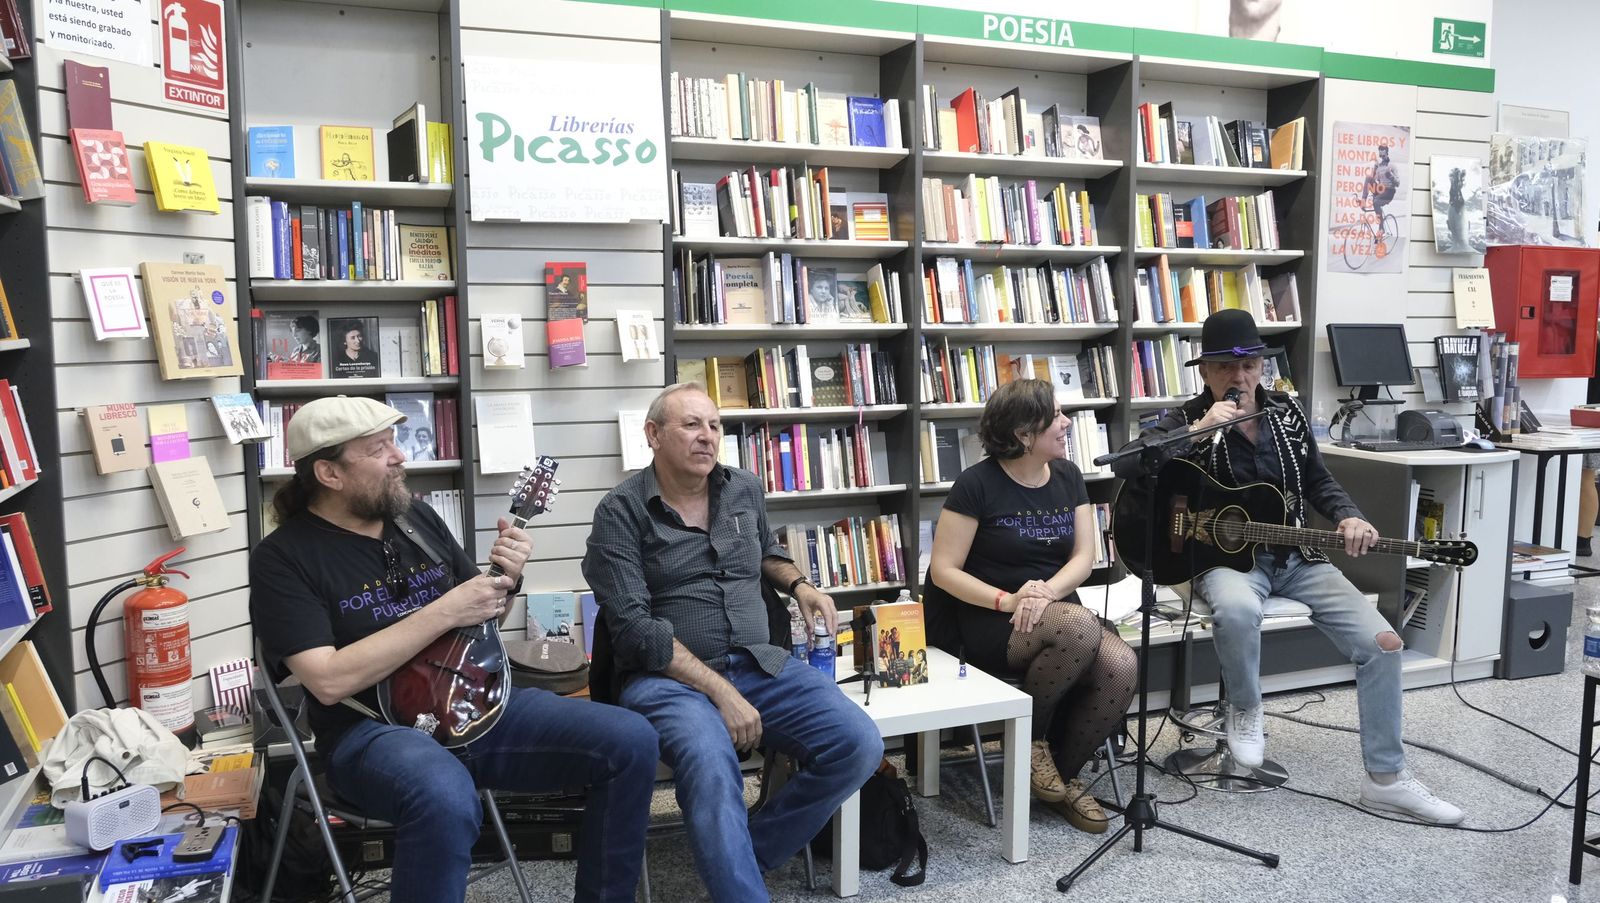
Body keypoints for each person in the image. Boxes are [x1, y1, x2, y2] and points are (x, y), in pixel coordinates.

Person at [249, 397, 658, 903]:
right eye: (379, 449)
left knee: (631, 740)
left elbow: (483, 618)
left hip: (478, 707)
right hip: (371, 735)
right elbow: (327, 679)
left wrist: (505, 580)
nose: (400, 457)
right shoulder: (282, 558)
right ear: (329, 472)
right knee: (443, 793)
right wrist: (446, 610)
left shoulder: (417, 519)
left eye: (394, 443)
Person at [1111, 310, 1463, 825]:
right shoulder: (1187, 417)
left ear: (1261, 367)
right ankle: (1247, 712)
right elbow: (1125, 463)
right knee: (1233, 609)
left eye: (1250, 365)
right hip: (1226, 562)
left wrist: (1350, 517)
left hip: (1297, 558)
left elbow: (1319, 481)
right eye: (1225, 368)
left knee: (1383, 643)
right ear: (1205, 372)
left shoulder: (1286, 417)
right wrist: (1194, 431)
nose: (1240, 378)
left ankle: (1385, 780)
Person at [583, 383, 882, 903]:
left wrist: (799, 584)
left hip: (760, 663)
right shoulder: (620, 512)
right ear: (653, 435)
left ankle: (746, 856)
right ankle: (740, 889)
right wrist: (722, 692)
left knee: (858, 745)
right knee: (711, 760)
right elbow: (634, 630)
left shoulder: (743, 487)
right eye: (691, 425)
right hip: (666, 680)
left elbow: (764, 549)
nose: (707, 437)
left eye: (714, 425)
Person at [925, 378, 1137, 834]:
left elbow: (1084, 556)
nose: (1066, 424)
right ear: (1024, 434)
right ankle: (1033, 743)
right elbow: (944, 570)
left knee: (1121, 664)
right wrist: (1010, 598)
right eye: (1056, 417)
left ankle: (1063, 774)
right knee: (1079, 629)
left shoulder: (1068, 476)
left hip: (1055, 607)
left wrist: (1043, 594)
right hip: (989, 617)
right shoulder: (976, 484)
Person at [1363, 144, 1400, 232]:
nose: (1382, 158)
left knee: (1376, 202)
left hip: (1389, 191)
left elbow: (1398, 183)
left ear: (1387, 154)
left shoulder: (1392, 166)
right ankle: (1363, 200)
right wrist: (1375, 169)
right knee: (1368, 177)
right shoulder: (1379, 166)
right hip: (1381, 190)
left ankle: (1381, 228)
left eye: (1384, 155)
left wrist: (1391, 176)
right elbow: (1374, 180)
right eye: (1380, 156)